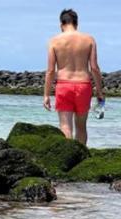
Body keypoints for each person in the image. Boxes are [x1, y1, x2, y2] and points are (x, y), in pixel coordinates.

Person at [44, 8, 105, 144]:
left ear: (61, 24)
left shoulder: (54, 41)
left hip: (64, 86)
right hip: (83, 85)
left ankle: (69, 160)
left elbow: (50, 71)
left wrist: (46, 95)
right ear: (76, 24)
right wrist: (99, 92)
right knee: (81, 127)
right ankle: (81, 160)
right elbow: (94, 68)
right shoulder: (89, 40)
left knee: (65, 127)